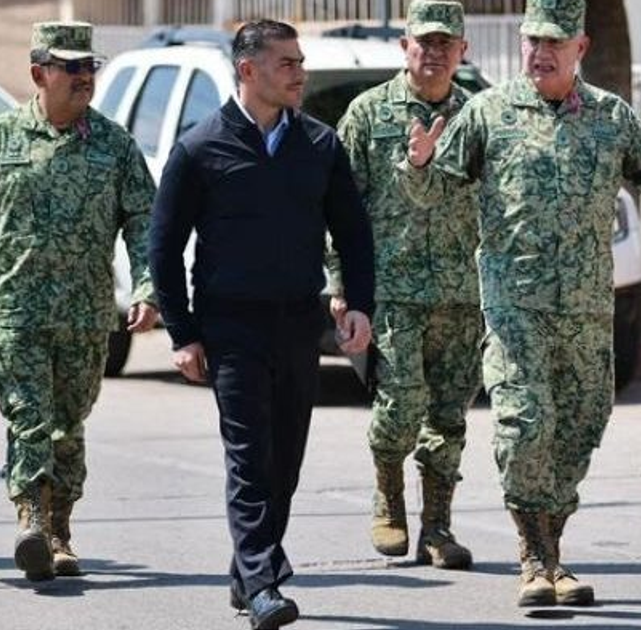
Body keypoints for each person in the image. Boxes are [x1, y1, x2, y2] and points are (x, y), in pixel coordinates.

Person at [401, 0, 641, 606]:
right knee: (525, 425)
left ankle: (554, 549)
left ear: (580, 48)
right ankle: (536, 558)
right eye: (532, 40)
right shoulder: (488, 114)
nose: (540, 52)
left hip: (586, 310)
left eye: (554, 42)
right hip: (514, 304)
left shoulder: (610, 117)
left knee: (580, 428)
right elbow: (432, 189)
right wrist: (419, 166)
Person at [149, 19, 374, 630]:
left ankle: (246, 570)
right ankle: (264, 583)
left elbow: (353, 235)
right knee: (250, 458)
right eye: (286, 64)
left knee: (285, 462)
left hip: (299, 323)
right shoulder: (201, 148)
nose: (299, 74)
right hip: (231, 327)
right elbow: (164, 250)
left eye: (300, 62)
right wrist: (183, 333)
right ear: (248, 71)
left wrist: (358, 305)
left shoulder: (321, 146)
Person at [0, 21, 158, 583]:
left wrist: (146, 287)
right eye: (72, 67)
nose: (84, 77)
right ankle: (31, 520)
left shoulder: (113, 144)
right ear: (39, 73)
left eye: (90, 67)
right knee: (30, 421)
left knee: (69, 426)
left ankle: (60, 528)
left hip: (87, 315)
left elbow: (144, 223)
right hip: (16, 309)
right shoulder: (0, 139)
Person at [329, 0, 480, 571]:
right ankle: (388, 495)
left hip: (463, 292)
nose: (435, 53)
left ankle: (438, 526)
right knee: (400, 404)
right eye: (425, 42)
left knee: (449, 414)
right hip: (390, 290)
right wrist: (341, 282)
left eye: (447, 43)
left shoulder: (478, 116)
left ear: (463, 51)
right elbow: (340, 207)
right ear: (405, 47)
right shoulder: (368, 114)